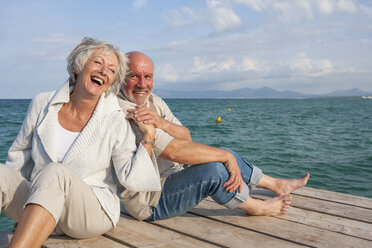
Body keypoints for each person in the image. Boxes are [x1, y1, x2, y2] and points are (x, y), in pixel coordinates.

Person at [0, 39, 161, 247]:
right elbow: (19, 157)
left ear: (112, 81)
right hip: (41, 201)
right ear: (78, 67)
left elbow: (132, 180)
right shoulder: (42, 103)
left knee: (55, 172)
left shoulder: (115, 118)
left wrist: (148, 138)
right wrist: (25, 213)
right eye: (97, 63)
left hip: (89, 213)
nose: (104, 71)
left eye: (111, 70)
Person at [117, 51, 309, 222]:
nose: (142, 84)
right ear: (120, 77)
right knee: (215, 170)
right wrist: (226, 158)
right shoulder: (124, 110)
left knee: (223, 152)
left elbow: (186, 137)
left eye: (148, 76)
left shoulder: (153, 101)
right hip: (150, 202)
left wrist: (162, 122)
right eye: (134, 76)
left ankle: (276, 184)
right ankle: (257, 207)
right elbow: (174, 151)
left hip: (171, 178)